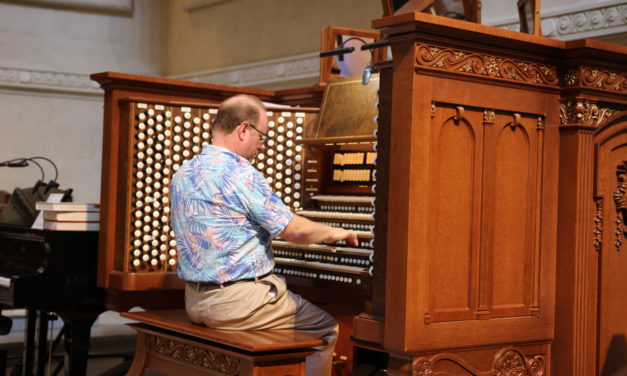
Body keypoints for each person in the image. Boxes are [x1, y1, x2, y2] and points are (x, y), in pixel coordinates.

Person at [170, 94, 358, 375]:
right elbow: (295, 231)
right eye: (262, 135)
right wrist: (333, 231)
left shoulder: (184, 172)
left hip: (196, 301)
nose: (262, 144)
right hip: (239, 305)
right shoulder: (240, 174)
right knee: (327, 327)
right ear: (244, 129)